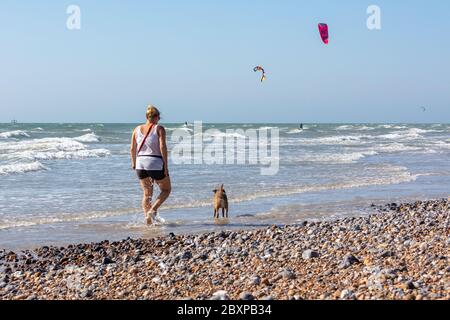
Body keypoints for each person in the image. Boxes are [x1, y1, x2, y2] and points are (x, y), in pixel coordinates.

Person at [130, 105, 171, 225]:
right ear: (157, 117)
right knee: (166, 189)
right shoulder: (159, 128)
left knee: (147, 193)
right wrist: (166, 166)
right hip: (155, 162)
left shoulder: (136, 129)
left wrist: (133, 163)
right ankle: (152, 211)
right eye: (159, 117)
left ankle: (148, 221)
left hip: (140, 163)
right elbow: (163, 147)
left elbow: (132, 148)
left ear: (146, 117)